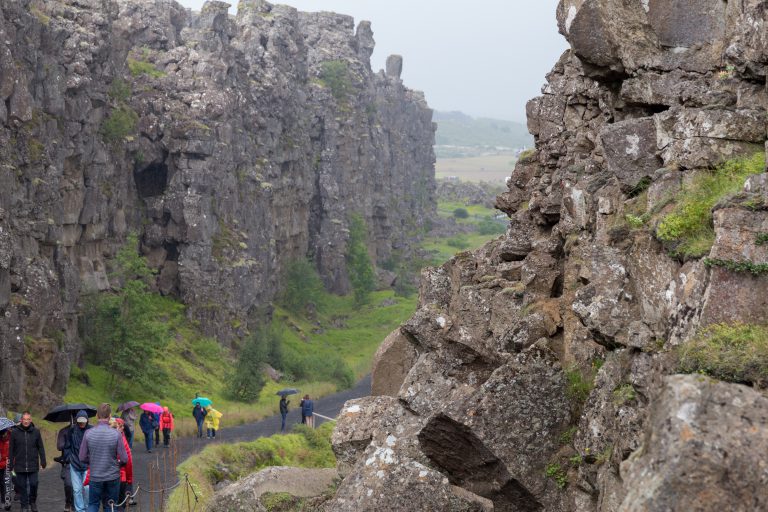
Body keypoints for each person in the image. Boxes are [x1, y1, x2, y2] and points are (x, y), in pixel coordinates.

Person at [78, 403, 128, 512]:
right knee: (110, 505)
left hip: (95, 475)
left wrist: (92, 462)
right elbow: (124, 458)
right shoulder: (116, 434)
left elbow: (82, 457)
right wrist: (117, 464)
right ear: (110, 416)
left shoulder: (88, 433)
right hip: (113, 475)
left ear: (97, 415)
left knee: (93, 504)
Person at [9, 411, 46, 512]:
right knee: (22, 486)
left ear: (31, 420)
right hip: (19, 465)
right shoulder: (14, 433)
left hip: (33, 464)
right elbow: (11, 449)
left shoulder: (36, 432)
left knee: (34, 484)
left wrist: (43, 461)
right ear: (21, 420)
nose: (26, 421)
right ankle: (24, 506)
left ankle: (32, 502)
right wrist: (11, 464)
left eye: (27, 419)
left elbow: (41, 448)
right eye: (24, 419)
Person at [66, 411, 92, 512]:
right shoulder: (72, 430)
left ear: (87, 420)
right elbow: (67, 445)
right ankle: (80, 510)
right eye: (80, 421)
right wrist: (69, 458)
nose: (82, 423)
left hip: (87, 465)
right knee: (76, 490)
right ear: (77, 420)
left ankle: (87, 508)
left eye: (83, 421)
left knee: (87, 489)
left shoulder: (91, 430)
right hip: (74, 464)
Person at [111, 420, 132, 511]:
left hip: (105, 476)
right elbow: (127, 460)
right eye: (121, 426)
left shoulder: (100, 438)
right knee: (119, 503)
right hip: (120, 475)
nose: (122, 428)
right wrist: (129, 479)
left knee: (109, 502)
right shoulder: (122, 439)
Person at [55, 424, 74, 512]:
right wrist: (68, 439)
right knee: (68, 484)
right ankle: (68, 502)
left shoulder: (84, 430)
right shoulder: (64, 431)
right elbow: (59, 446)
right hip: (68, 462)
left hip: (80, 462)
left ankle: (75, 505)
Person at [0, 428, 10, 511]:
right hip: (0, 465)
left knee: (6, 483)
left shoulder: (10, 439)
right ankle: (3, 500)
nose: (3, 435)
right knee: (1, 483)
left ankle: (6, 501)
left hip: (7, 464)